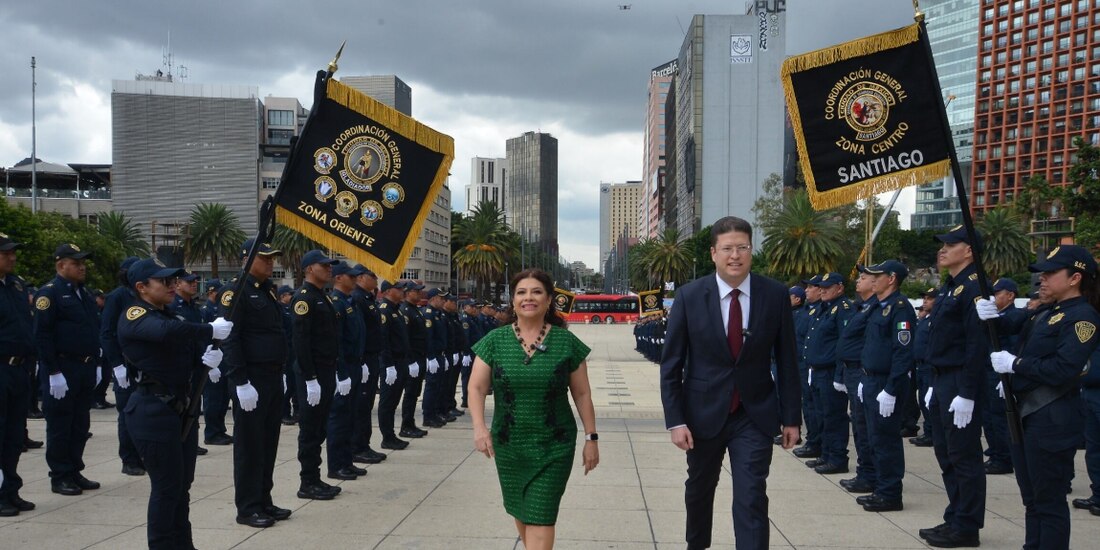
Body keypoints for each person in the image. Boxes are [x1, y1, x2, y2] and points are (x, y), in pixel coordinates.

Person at [659, 216, 801, 550]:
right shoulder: (690, 296)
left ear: (751, 251)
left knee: (752, 494)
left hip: (754, 414)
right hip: (701, 415)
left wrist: (791, 417)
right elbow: (671, 364)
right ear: (713, 253)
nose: (734, 255)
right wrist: (675, 420)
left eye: (742, 248)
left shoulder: (774, 294)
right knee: (699, 490)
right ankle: (697, 545)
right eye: (727, 249)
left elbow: (788, 360)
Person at [468, 268, 598, 550]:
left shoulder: (566, 343)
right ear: (513, 300)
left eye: (537, 291)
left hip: (554, 445)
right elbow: (476, 388)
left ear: (549, 299)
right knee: (522, 510)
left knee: (541, 514)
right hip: (509, 444)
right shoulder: (494, 341)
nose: (529, 298)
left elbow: (582, 393)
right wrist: (479, 427)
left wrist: (591, 438)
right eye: (522, 292)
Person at [987, 245, 1100, 549]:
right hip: (1028, 415)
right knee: (1032, 499)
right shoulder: (1046, 312)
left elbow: (1064, 369)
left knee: (1048, 501)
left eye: (1050, 274)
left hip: (1052, 417)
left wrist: (1016, 365)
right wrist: (990, 316)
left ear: (1075, 277)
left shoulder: (1082, 317)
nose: (1042, 281)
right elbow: (1014, 333)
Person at [118, 258, 233, 549]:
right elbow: (164, 334)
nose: (171, 286)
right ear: (142, 287)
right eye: (164, 282)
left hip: (180, 408)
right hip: (151, 411)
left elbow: (178, 350)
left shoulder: (170, 316)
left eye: (173, 281)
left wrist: (204, 360)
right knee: (167, 487)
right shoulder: (136, 314)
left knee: (182, 488)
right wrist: (208, 330)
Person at [921, 226, 990, 548]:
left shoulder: (975, 287)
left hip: (960, 379)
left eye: (952, 244)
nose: (943, 250)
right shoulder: (953, 287)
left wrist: (967, 392)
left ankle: (967, 526)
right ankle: (955, 516)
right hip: (943, 377)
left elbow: (977, 345)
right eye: (943, 245)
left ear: (970, 251)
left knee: (964, 456)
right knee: (947, 453)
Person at [218, 239, 293, 528]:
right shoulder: (235, 292)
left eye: (273, 258)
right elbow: (230, 338)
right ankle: (248, 508)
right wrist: (240, 381)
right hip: (251, 379)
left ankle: (264, 500)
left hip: (272, 376)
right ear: (246, 259)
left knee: (267, 443)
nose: (271, 263)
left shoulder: (267, 292)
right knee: (250, 446)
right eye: (265, 258)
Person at [33, 243, 102, 496]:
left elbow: (91, 329)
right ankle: (60, 475)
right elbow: (42, 336)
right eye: (76, 263)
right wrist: (52, 372)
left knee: (80, 423)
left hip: (84, 366)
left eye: (82, 262)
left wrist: (96, 361)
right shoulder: (48, 294)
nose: (82, 267)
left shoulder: (83, 293)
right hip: (63, 367)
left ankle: (74, 469)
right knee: (61, 424)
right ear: (61, 265)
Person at [855, 260, 916, 513]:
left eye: (877, 275)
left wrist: (891, 388)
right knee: (874, 438)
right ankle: (881, 488)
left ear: (891, 278)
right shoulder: (880, 308)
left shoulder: (900, 309)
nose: (873, 279)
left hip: (885, 382)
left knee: (886, 440)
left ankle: (890, 494)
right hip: (871, 379)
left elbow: (903, 353)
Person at [291, 250, 343, 500]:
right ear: (310, 268)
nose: (329, 269)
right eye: (324, 265)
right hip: (312, 373)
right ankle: (307, 482)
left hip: (325, 370)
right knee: (310, 429)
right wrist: (310, 378)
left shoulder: (322, 296)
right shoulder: (304, 298)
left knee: (320, 427)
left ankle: (315, 477)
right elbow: (301, 341)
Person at [99, 256, 146, 476]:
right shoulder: (118, 296)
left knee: (143, 415)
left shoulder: (141, 296)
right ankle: (129, 459)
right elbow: (107, 333)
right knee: (127, 413)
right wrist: (117, 365)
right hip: (125, 366)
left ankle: (141, 456)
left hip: (142, 364)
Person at [0, 233, 35, 516]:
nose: (12, 257)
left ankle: (10, 489)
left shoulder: (16, 285)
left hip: (18, 369)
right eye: (5, 253)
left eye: (13, 252)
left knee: (13, 436)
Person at [835, 267, 878, 494]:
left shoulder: (879, 308)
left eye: (864, 278)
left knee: (867, 427)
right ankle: (866, 473)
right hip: (852, 371)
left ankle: (873, 477)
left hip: (864, 373)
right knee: (860, 426)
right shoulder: (861, 308)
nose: (858, 281)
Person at [327, 261, 366, 481]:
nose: (354, 280)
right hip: (344, 366)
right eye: (351, 277)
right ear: (339, 278)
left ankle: (347, 460)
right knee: (339, 418)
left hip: (355, 365)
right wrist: (341, 373)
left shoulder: (349, 302)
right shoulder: (336, 303)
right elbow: (338, 342)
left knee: (350, 415)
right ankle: (336, 465)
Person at [350, 267, 386, 463]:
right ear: (362, 278)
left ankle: (364, 445)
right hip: (364, 359)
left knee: (367, 405)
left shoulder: (368, 298)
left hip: (372, 357)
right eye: (373, 276)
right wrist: (361, 360)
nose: (376, 278)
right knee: (361, 405)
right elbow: (358, 333)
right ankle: (358, 447)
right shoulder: (357, 298)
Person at [376, 280, 410, 450]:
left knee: (394, 400)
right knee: (387, 401)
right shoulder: (385, 311)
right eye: (398, 289)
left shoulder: (396, 310)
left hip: (401, 361)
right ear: (388, 291)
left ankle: (391, 434)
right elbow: (383, 341)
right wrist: (388, 365)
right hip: (391, 362)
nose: (402, 291)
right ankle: (387, 437)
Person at [792, 276, 822, 459]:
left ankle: (819, 445)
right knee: (809, 405)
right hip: (805, 363)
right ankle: (814, 441)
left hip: (811, 365)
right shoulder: (808, 311)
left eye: (812, 287)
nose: (807, 290)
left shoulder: (817, 311)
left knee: (817, 409)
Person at [910, 287, 938, 448]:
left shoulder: (936, 320)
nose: (925, 301)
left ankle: (933, 433)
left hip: (930, 367)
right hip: (920, 366)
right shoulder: (925, 320)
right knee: (923, 401)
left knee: (930, 403)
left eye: (930, 298)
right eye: (925, 297)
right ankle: (928, 432)